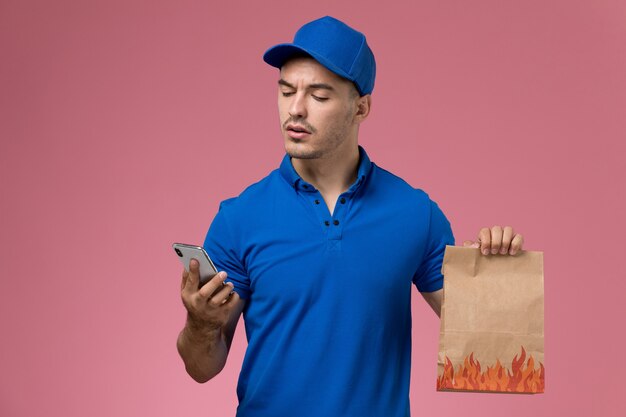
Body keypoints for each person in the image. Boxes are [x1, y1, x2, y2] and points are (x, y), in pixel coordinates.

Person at [176, 16, 525, 417]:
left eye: (319, 96)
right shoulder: (238, 217)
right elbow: (201, 369)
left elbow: (486, 342)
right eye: (286, 90)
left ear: (361, 107)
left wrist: (500, 275)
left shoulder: (415, 213)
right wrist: (200, 324)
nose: (296, 109)